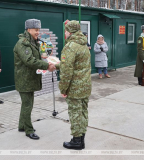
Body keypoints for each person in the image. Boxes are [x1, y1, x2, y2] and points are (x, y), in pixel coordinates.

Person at [14, 19, 56, 140]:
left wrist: (46, 60)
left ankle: (22, 125)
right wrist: (46, 66)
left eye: (39, 30)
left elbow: (35, 58)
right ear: (28, 29)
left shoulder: (33, 42)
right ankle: (29, 130)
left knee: (27, 104)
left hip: (29, 79)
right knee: (28, 105)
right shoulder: (23, 43)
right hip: (24, 79)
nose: (38, 32)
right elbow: (29, 60)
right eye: (36, 30)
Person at [57, 20, 91, 150]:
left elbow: (66, 71)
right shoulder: (83, 44)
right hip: (85, 86)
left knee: (75, 114)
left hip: (75, 88)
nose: (65, 33)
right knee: (82, 112)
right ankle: (81, 139)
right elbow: (77, 64)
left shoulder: (70, 46)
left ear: (69, 32)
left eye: (65, 31)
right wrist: (56, 65)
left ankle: (77, 142)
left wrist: (63, 88)